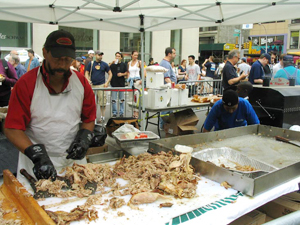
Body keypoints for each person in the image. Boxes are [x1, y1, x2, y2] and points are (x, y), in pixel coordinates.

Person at [4, 30, 96, 181]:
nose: (62, 64)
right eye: (57, 58)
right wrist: (37, 155)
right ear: (45, 52)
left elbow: (89, 118)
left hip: (73, 162)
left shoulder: (81, 83)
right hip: (35, 163)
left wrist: (84, 138)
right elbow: (12, 128)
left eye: (67, 60)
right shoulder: (27, 83)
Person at [85, 50, 112, 123]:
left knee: (102, 102)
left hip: (101, 85)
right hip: (92, 85)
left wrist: (107, 82)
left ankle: (102, 116)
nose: (100, 56)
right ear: (95, 55)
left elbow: (110, 73)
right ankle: (92, 116)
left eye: (101, 55)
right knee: (92, 102)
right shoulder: (91, 63)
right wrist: (88, 80)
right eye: (99, 55)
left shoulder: (104, 64)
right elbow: (86, 73)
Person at [159, 47, 176, 130]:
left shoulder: (166, 63)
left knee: (168, 109)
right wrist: (174, 86)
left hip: (168, 89)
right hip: (167, 89)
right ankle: (163, 125)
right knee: (166, 109)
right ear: (169, 54)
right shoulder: (165, 63)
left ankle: (166, 125)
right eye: (174, 53)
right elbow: (166, 78)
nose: (175, 55)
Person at [110, 52, 127, 118]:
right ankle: (114, 112)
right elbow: (107, 69)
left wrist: (122, 74)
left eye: (119, 56)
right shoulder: (113, 65)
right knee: (113, 99)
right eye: (116, 56)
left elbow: (126, 72)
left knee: (121, 99)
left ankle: (121, 112)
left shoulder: (123, 64)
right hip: (114, 84)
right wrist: (112, 62)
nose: (117, 57)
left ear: (121, 57)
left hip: (121, 84)